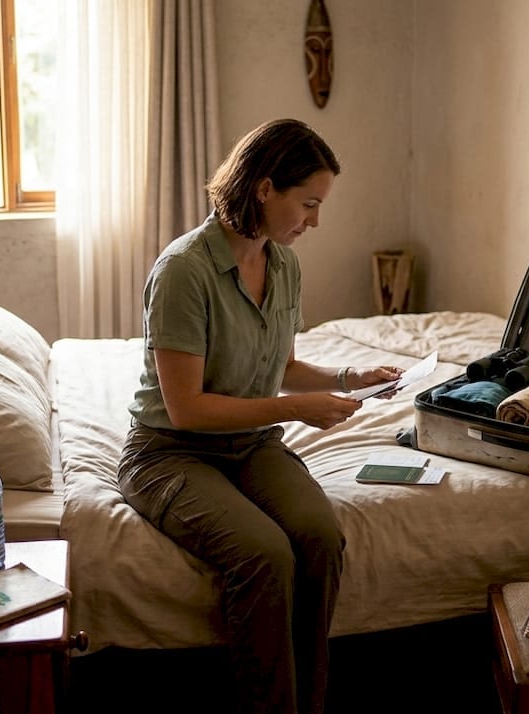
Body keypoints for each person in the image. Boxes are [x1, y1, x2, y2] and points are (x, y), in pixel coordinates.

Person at [117, 118, 402, 714]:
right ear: (265, 188)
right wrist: (298, 410)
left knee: (321, 536)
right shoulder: (184, 272)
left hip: (247, 445)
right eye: (309, 204)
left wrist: (353, 378)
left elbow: (282, 366)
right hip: (170, 452)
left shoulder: (283, 264)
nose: (315, 221)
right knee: (263, 553)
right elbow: (186, 409)